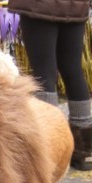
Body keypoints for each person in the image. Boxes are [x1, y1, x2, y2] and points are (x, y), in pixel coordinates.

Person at [8, 0, 92, 171]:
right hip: (75, 7)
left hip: (40, 7)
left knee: (44, 74)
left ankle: (49, 146)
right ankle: (86, 150)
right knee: (73, 71)